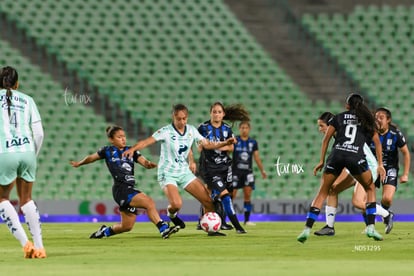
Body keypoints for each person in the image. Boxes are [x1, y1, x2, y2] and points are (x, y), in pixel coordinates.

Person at [123, 104, 235, 236]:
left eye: (184, 119)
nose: (181, 122)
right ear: (173, 117)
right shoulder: (166, 131)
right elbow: (147, 141)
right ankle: (172, 214)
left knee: (208, 201)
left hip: (184, 172)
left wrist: (224, 143)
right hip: (168, 173)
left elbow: (207, 144)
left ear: (187, 118)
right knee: (176, 204)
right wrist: (133, 149)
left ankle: (211, 230)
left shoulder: (192, 130)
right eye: (179, 119)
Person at [297, 93, 386, 243]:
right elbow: (377, 142)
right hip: (355, 157)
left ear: (347, 106)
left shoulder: (337, 117)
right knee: (370, 188)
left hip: (336, 155)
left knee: (322, 192)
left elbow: (326, 140)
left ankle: (306, 229)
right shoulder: (366, 121)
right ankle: (371, 227)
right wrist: (380, 164)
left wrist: (321, 160)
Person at [70, 126, 180, 239]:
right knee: (149, 202)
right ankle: (163, 228)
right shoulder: (107, 151)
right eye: (119, 137)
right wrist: (79, 163)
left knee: (126, 226)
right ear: (111, 139)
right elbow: (91, 158)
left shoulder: (131, 150)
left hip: (129, 188)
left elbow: (143, 161)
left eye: (124, 136)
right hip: (121, 189)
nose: (123, 139)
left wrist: (148, 164)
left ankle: (104, 231)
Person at [313, 112, 392, 236]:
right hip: (353, 166)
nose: (320, 129)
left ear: (330, 125)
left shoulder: (342, 134)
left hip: (367, 166)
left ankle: (386, 214)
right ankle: (329, 227)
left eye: (322, 126)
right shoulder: (340, 134)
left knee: (358, 202)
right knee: (332, 189)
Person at [0, 66, 46, 258]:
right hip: (27, 151)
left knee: (2, 198)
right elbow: (39, 133)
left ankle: (25, 243)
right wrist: (31, 155)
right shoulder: (28, 100)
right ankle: (40, 247)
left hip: (4, 152)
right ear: (17, 83)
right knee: (26, 199)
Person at [197, 102, 249, 234]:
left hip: (225, 167)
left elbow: (231, 148)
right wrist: (223, 144)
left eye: (219, 112)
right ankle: (237, 226)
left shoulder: (226, 128)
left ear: (223, 114)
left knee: (218, 196)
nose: (217, 114)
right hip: (210, 168)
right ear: (210, 113)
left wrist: (222, 146)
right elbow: (204, 146)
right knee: (224, 195)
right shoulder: (203, 128)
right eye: (214, 111)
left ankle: (210, 220)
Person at [370, 107, 410, 232]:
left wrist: (405, 174)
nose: (378, 120)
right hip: (373, 167)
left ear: (388, 120)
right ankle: (372, 225)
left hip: (390, 168)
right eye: (376, 117)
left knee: (387, 198)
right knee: (364, 200)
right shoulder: (370, 132)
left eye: (381, 118)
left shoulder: (395, 134)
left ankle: (385, 214)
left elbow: (406, 153)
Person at [231, 121, 267, 226]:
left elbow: (256, 157)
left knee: (247, 195)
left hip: (248, 173)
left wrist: (262, 170)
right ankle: (225, 219)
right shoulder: (235, 140)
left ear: (249, 129)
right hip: (235, 172)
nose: (244, 129)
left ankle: (247, 220)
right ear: (239, 129)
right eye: (242, 127)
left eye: (246, 128)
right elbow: (228, 152)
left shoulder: (253, 142)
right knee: (231, 196)